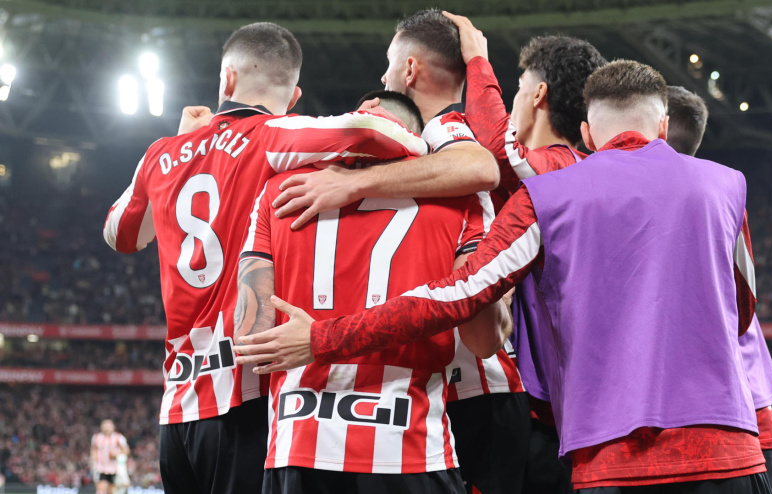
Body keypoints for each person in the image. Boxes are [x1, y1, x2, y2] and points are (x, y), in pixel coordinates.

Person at [235, 60, 771, 493]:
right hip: (729, 453)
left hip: (611, 459)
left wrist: (324, 336)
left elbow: (456, 297)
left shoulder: (547, 197)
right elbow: (742, 307)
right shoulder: (728, 186)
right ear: (662, 127)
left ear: (588, 131)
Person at [103, 22, 495, 494]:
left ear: (225, 80)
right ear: (293, 99)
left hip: (179, 408)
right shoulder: (276, 136)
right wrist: (416, 143)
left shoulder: (161, 155)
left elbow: (119, 234)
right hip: (246, 397)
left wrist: (184, 141)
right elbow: (377, 128)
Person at [234, 90, 508, 494]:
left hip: (299, 445)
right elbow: (484, 341)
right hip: (412, 448)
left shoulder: (279, 192)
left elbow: (250, 341)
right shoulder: (463, 199)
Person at [443, 11, 607, 494]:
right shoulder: (554, 175)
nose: (509, 99)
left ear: (537, 96)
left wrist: (477, 61)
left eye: (517, 87)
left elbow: (498, 150)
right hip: (546, 403)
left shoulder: (562, 165)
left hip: (539, 413)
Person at [666, 86, 772, 494]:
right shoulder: (719, 193)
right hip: (751, 410)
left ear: (657, 129)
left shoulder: (683, 198)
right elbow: (746, 296)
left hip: (724, 421)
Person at [91, 420, 129, 494]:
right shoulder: (96, 437)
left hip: (114, 468)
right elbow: (93, 450)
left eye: (108, 426)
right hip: (100, 467)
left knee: (111, 490)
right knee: (101, 489)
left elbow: (126, 450)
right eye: (105, 426)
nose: (107, 428)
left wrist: (117, 453)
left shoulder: (119, 437)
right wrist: (93, 460)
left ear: (113, 427)